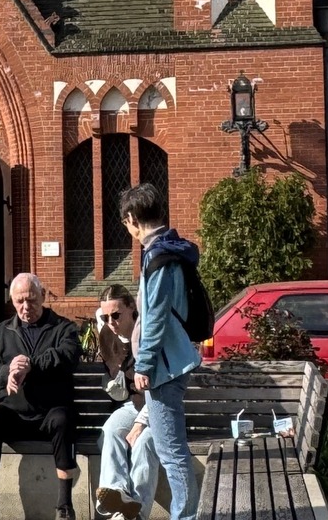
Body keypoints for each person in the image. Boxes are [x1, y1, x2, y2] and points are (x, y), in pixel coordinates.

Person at [120, 183, 202, 520]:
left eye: (126, 222)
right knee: (167, 448)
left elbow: (154, 316)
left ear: (132, 219)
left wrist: (144, 364)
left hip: (163, 369)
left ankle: (184, 517)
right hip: (170, 364)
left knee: (172, 454)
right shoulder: (170, 249)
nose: (127, 228)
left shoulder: (157, 256)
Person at [0, 271, 82, 520]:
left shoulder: (63, 328)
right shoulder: (0, 333)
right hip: (14, 415)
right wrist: (7, 371)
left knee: (63, 420)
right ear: (12, 301)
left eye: (32, 299)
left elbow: (66, 357)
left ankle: (65, 506)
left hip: (50, 413)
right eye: (19, 301)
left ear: (43, 296)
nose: (26, 306)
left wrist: (31, 365)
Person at [93, 283, 158, 520]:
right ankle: (117, 493)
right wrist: (112, 375)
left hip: (161, 407)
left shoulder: (148, 335)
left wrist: (140, 424)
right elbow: (122, 394)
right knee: (111, 429)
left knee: (143, 443)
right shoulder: (111, 337)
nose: (111, 321)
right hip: (136, 406)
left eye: (116, 314)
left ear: (132, 308)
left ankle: (135, 514)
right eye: (106, 316)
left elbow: (160, 391)